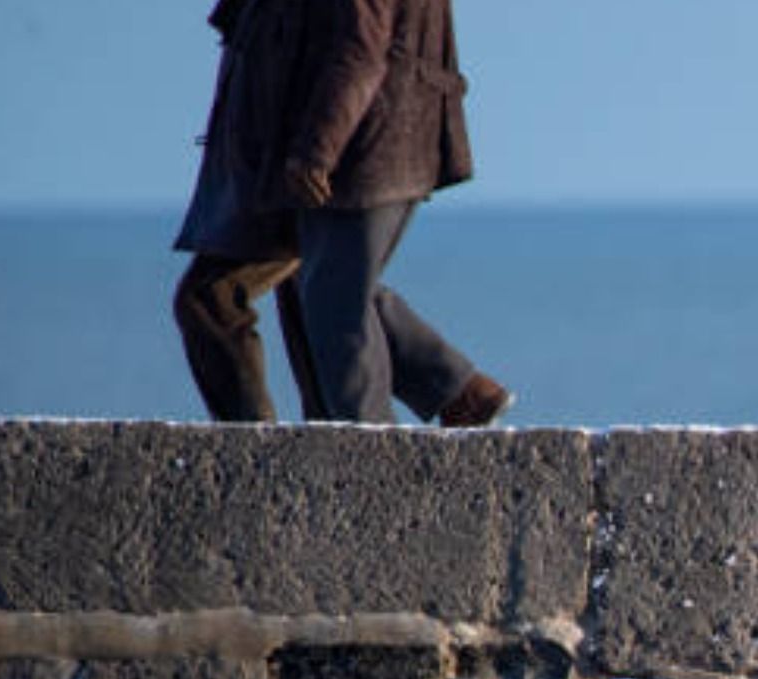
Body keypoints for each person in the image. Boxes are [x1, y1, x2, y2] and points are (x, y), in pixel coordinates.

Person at [172, 0, 511, 426]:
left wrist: (318, 149)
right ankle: (452, 393)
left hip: (357, 144)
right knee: (287, 292)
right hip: (295, 148)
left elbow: (362, 45)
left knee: (332, 302)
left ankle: (370, 455)